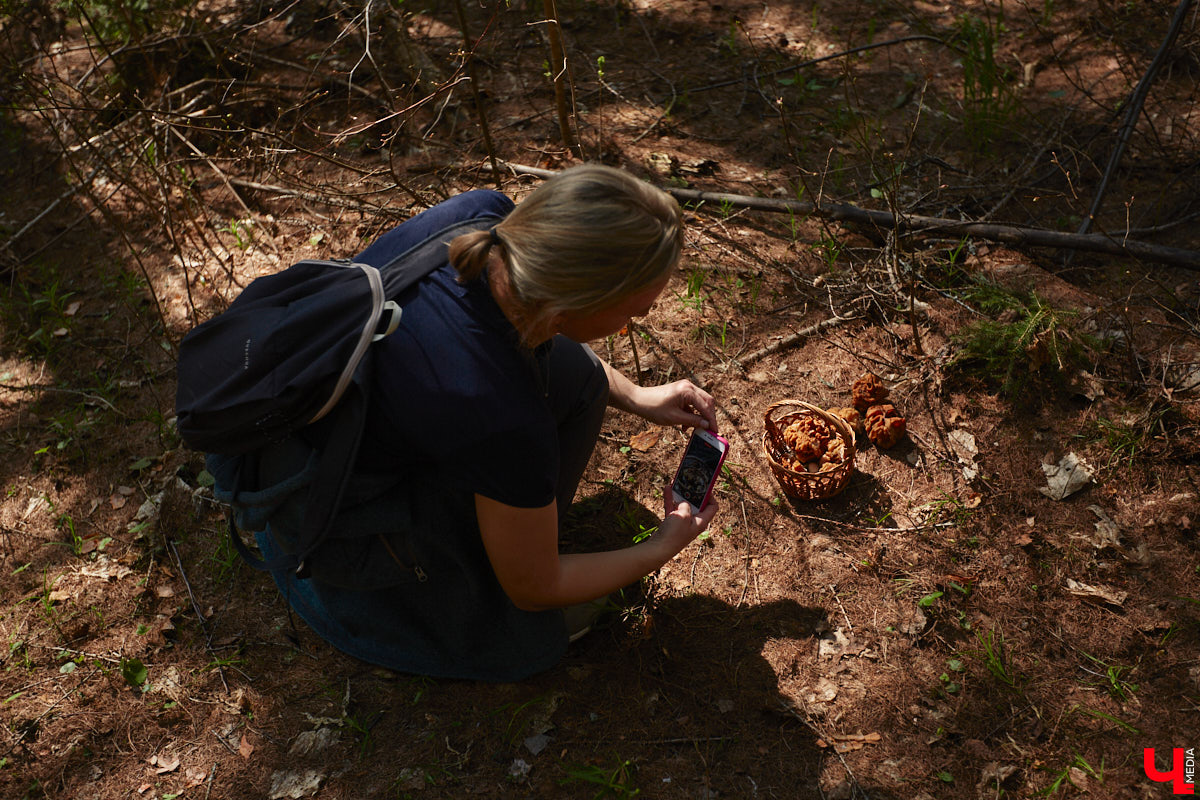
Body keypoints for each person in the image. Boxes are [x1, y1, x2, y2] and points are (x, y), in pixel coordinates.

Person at [243, 164, 720, 681]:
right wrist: (662, 544)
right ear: (571, 303)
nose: (639, 322)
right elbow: (535, 587)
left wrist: (636, 395)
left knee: (576, 375)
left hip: (311, 434)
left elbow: (545, 342)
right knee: (526, 626)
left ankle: (498, 540)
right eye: (638, 310)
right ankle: (438, 598)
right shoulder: (501, 414)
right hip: (331, 522)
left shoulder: (484, 219)